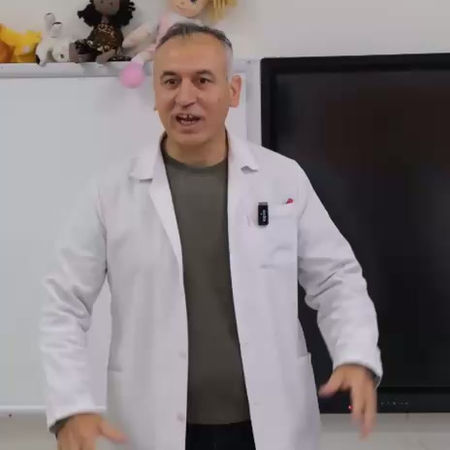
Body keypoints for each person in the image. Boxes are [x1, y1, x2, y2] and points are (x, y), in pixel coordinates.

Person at [40, 23, 382, 450]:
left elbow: (336, 280)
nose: (185, 97)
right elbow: (64, 305)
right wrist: (69, 404)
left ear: (233, 91)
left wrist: (356, 354)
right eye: (170, 81)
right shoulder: (110, 192)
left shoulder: (282, 178)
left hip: (269, 426)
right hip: (154, 428)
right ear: (154, 93)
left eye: (203, 80)